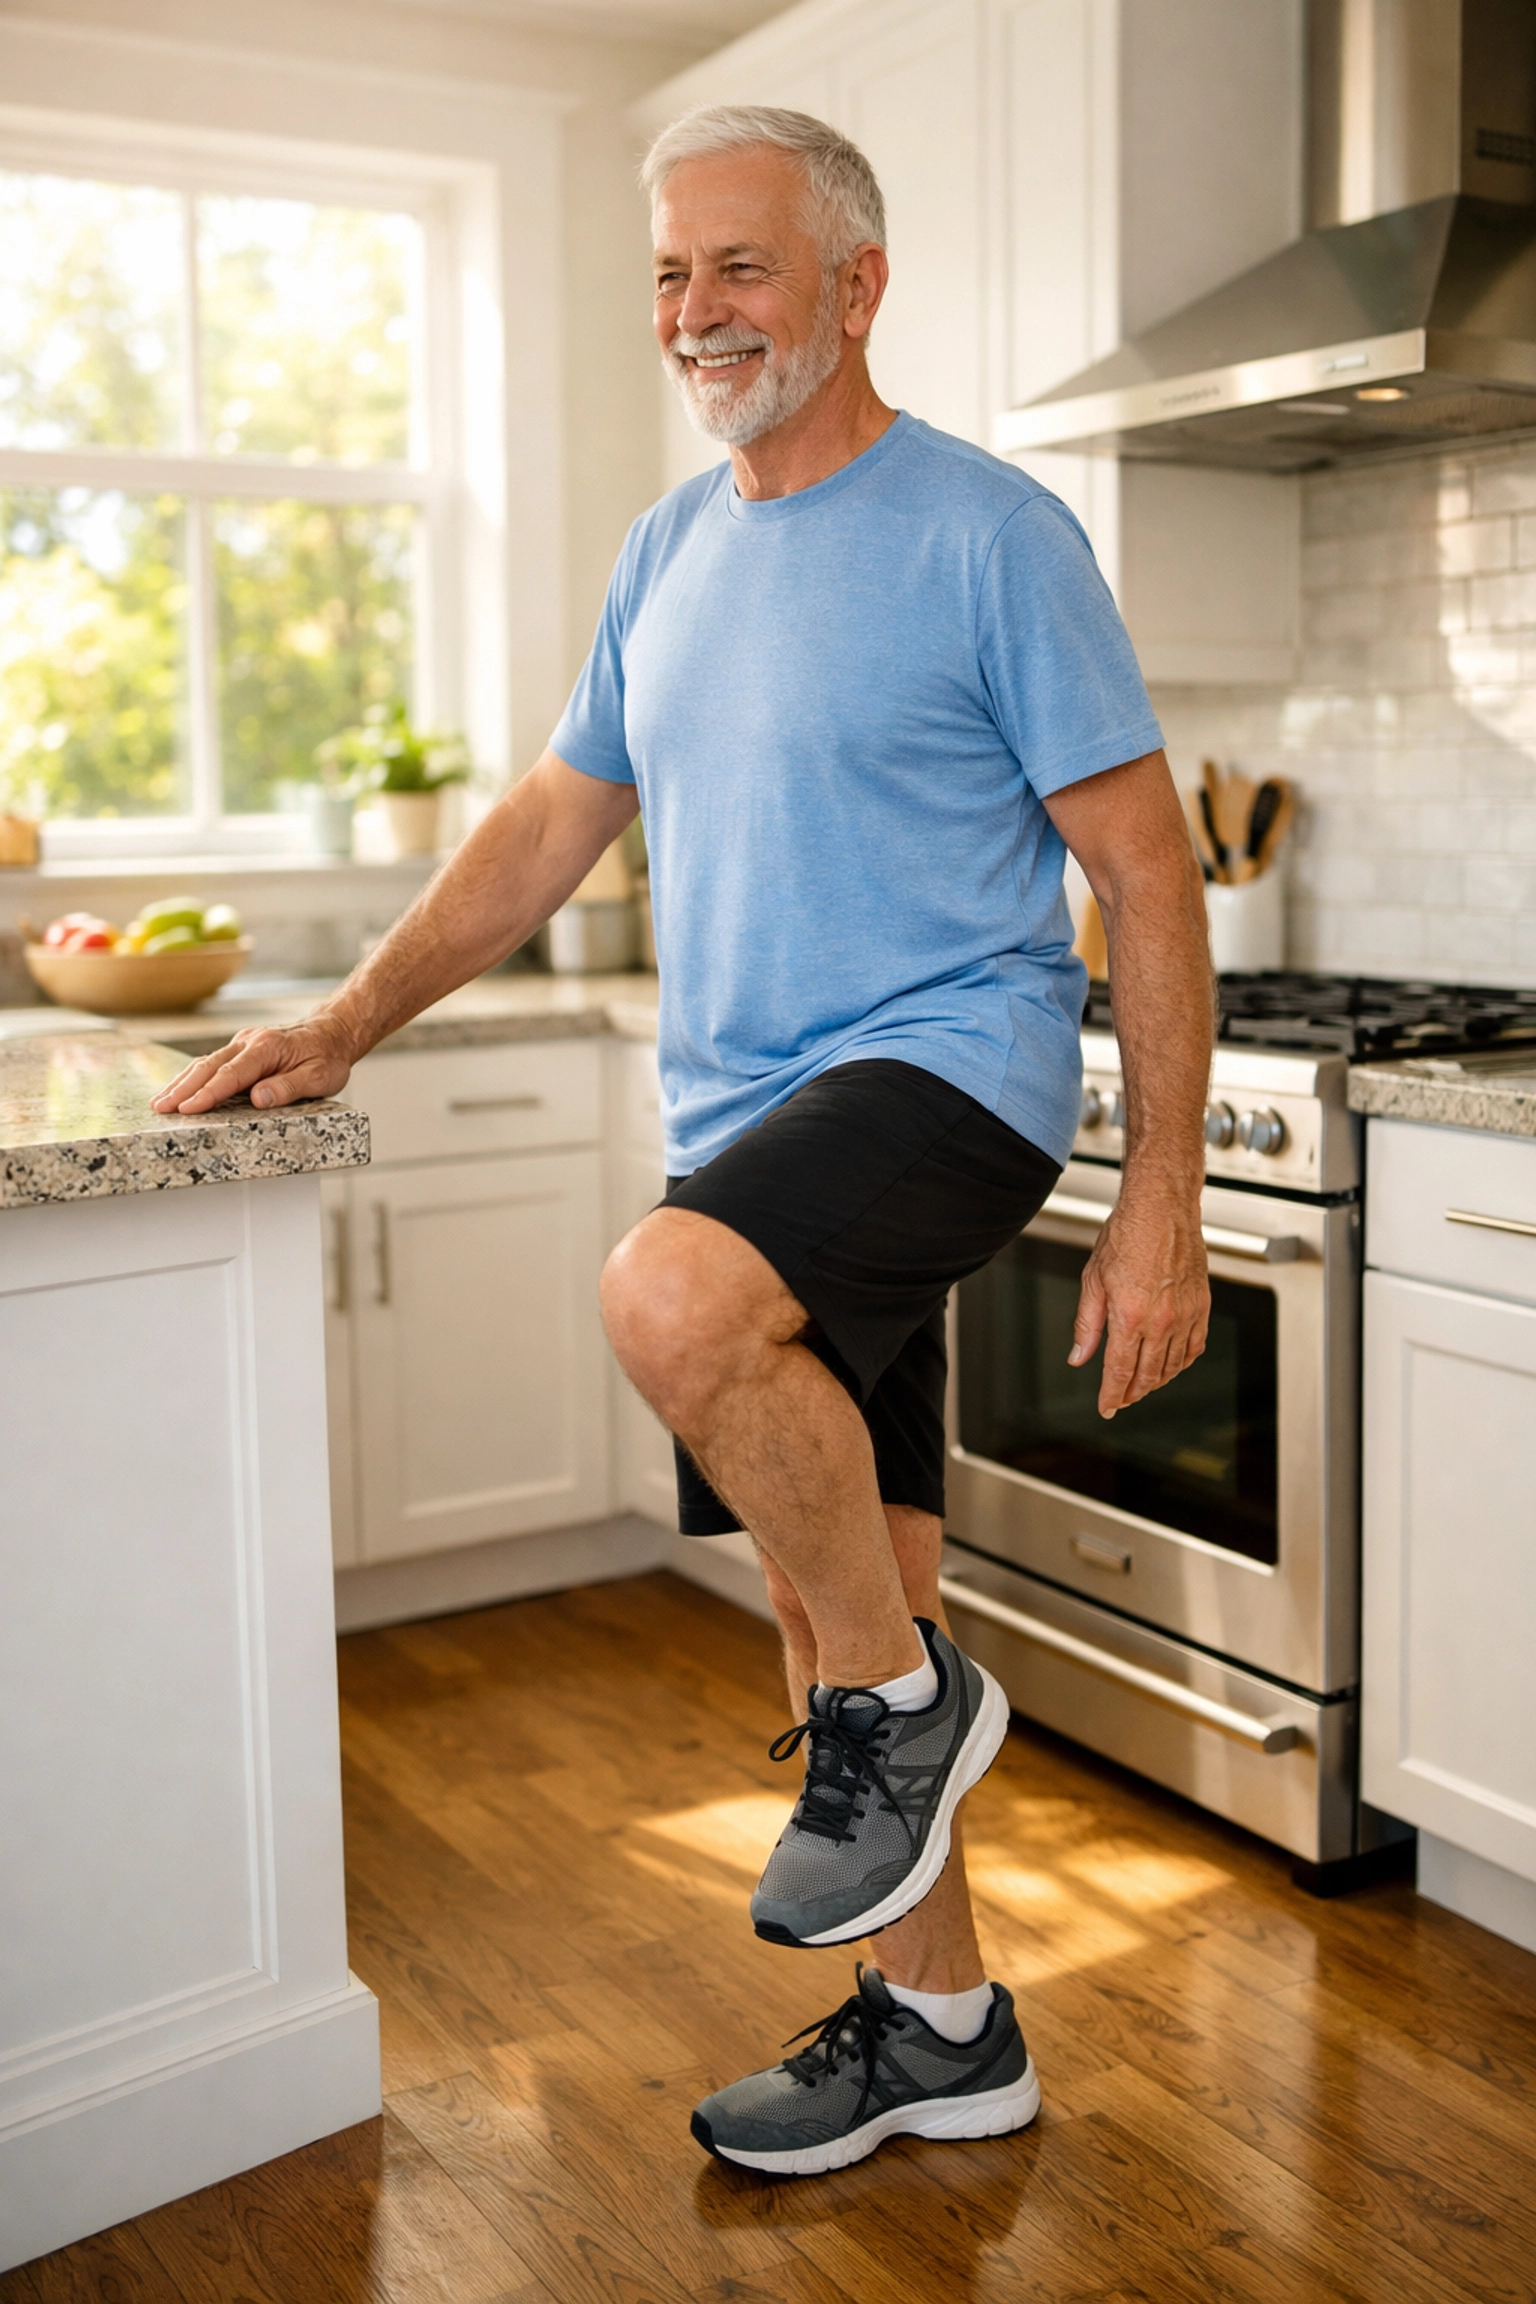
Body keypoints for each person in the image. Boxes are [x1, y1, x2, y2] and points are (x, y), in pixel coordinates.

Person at [153, 104, 1214, 2179]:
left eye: (738, 266)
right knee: (855, 1591)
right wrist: (348, 1018)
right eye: (668, 273)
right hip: (749, 1105)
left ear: (853, 285)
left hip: (950, 1069)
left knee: (669, 1293)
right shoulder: (667, 551)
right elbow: (551, 824)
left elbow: (1151, 875)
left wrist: (1159, 1193)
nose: (694, 310)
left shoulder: (991, 534)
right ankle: (946, 2027)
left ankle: (904, 1722)